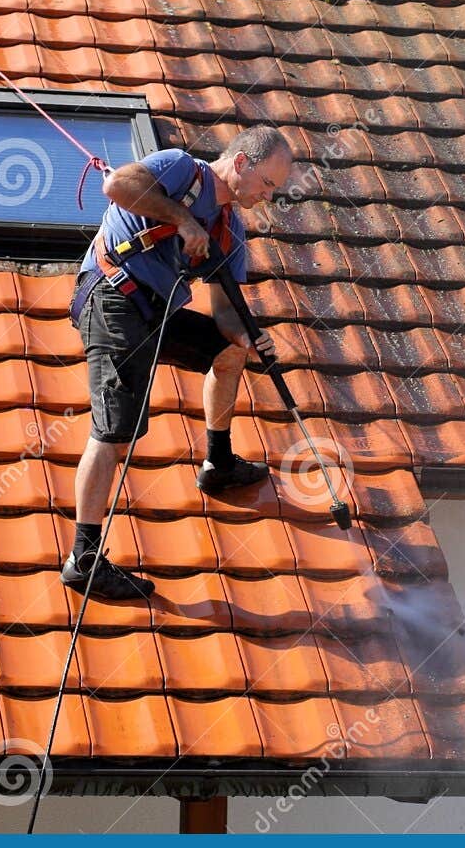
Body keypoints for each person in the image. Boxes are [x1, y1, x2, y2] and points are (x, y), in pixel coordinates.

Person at [63, 125, 293, 600]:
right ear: (243, 164)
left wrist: (249, 336)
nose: (268, 197)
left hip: (157, 313)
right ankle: (83, 560)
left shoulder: (231, 228)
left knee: (229, 351)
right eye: (268, 185)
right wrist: (183, 221)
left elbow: (226, 311)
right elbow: (117, 186)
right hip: (113, 298)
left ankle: (218, 461)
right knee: (116, 429)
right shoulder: (180, 168)